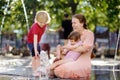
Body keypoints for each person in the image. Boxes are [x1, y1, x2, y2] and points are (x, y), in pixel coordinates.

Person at [49, 14, 94, 79]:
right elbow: (67, 48)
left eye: (75, 23)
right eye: (72, 23)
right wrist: (61, 51)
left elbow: (84, 49)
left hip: (82, 61)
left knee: (60, 70)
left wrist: (68, 48)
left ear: (82, 23)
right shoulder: (73, 33)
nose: (72, 25)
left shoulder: (89, 33)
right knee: (54, 67)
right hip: (70, 59)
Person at [27, 10, 50, 77]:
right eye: (40, 22)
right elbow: (35, 40)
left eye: (44, 22)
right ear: (37, 20)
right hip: (31, 42)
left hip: (37, 42)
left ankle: (38, 71)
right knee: (34, 56)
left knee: (38, 57)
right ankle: (35, 71)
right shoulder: (35, 27)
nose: (42, 24)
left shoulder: (44, 25)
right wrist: (35, 49)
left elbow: (45, 27)